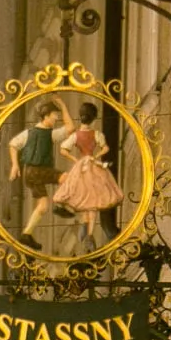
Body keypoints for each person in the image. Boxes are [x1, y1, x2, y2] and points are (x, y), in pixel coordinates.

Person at [7, 95, 73, 246]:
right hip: (40, 170)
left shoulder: (28, 133)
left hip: (29, 173)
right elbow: (70, 128)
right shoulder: (50, 134)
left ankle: (26, 233)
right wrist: (63, 106)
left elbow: (13, 144)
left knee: (42, 206)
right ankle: (60, 204)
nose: (56, 119)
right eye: (55, 116)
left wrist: (16, 165)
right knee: (67, 178)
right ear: (46, 116)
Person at [57, 100, 124, 245]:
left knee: (84, 196)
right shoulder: (96, 134)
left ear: (80, 117)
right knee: (93, 199)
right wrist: (95, 156)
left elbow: (63, 149)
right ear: (93, 118)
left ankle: (86, 229)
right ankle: (89, 234)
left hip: (81, 166)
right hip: (92, 165)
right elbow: (105, 148)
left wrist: (75, 159)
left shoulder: (76, 135)